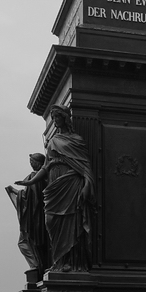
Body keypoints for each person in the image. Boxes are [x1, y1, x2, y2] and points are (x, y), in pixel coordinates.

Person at [19, 106, 95, 272]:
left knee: (71, 221)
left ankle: (71, 263)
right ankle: (59, 260)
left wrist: (88, 184)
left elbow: (85, 165)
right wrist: (29, 183)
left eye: (57, 117)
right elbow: (45, 167)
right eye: (52, 117)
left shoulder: (76, 140)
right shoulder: (53, 141)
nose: (54, 120)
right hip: (54, 185)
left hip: (71, 182)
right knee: (51, 220)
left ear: (65, 118)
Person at [6, 153, 50, 275]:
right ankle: (36, 266)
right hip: (37, 215)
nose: (31, 164)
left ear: (39, 163)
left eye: (33, 162)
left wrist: (13, 191)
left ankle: (36, 266)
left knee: (24, 242)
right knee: (28, 243)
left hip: (33, 217)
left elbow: (28, 197)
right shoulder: (42, 176)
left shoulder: (35, 176)